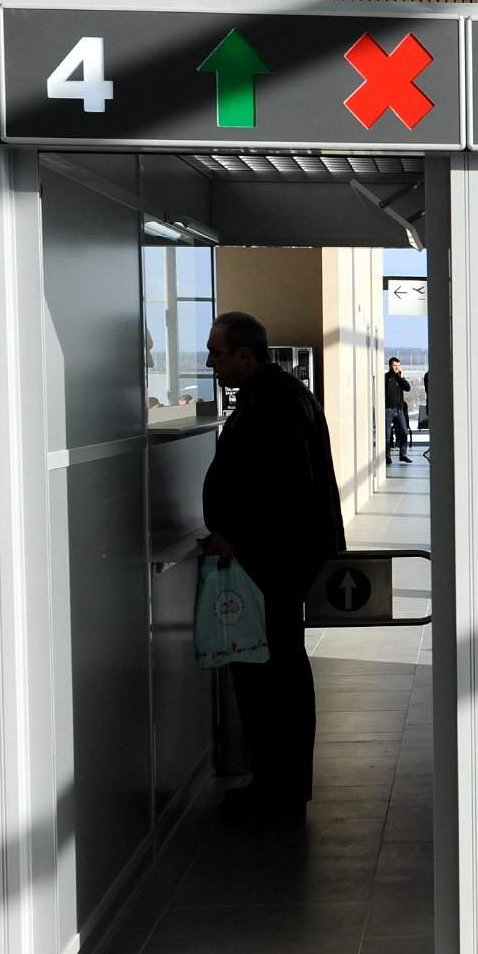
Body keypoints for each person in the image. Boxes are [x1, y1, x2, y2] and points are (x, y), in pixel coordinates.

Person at [201, 311, 346, 821]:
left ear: (245, 355)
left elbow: (285, 490)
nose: (211, 363)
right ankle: (279, 785)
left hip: (272, 561)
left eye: (217, 353)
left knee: (272, 675)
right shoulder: (277, 396)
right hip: (278, 558)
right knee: (277, 671)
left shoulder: (274, 403)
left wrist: (235, 538)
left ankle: (279, 791)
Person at [383, 357, 413, 465]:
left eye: (398, 365)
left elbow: (408, 388)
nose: (397, 367)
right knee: (387, 435)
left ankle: (403, 454)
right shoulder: (386, 377)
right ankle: (387, 456)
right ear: (390, 366)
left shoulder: (400, 378)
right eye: (395, 365)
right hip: (388, 410)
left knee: (404, 431)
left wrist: (402, 377)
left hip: (399, 410)